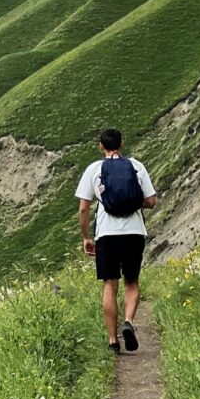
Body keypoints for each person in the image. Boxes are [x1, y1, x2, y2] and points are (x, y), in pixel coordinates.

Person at [76, 127, 157, 354]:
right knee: (131, 281)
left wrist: (86, 237)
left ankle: (113, 341)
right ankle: (129, 321)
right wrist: (131, 201)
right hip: (134, 232)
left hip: (106, 235)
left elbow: (83, 208)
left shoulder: (94, 169)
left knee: (110, 285)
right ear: (122, 144)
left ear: (101, 146)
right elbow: (151, 201)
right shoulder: (136, 166)